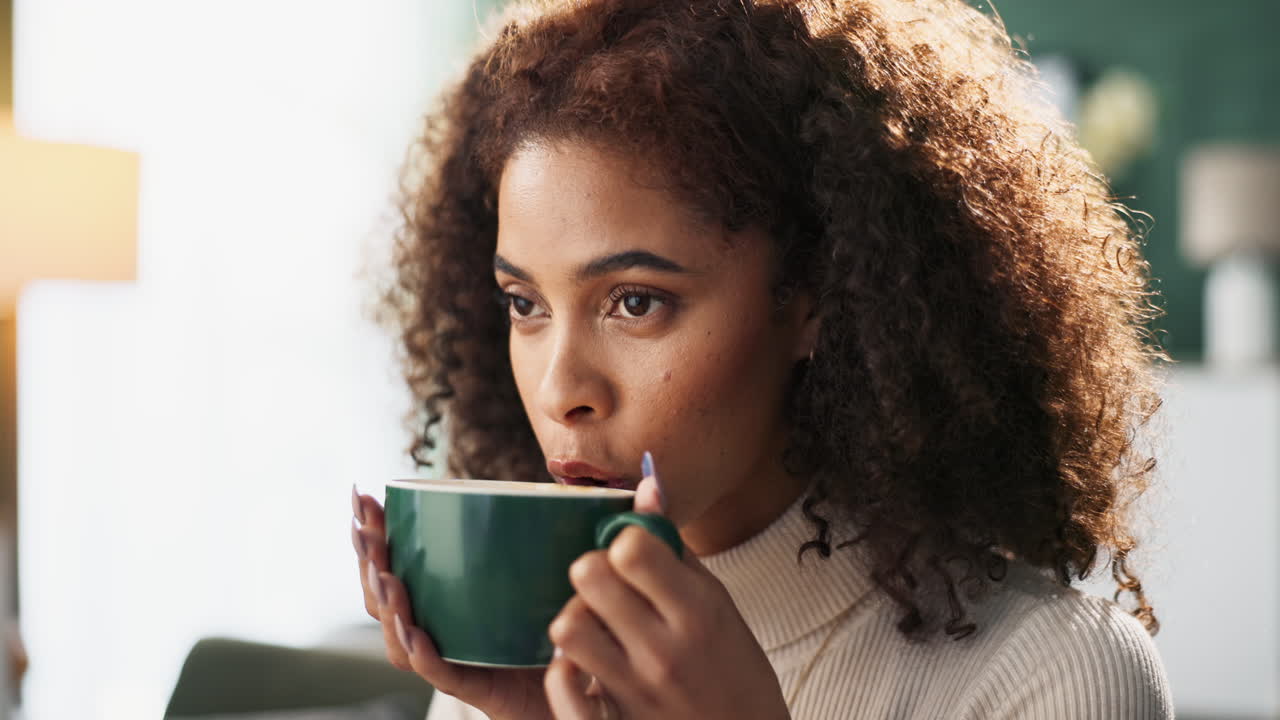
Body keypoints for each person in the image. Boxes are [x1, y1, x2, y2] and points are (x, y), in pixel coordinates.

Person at [349, 0, 1175, 717]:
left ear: (812, 296)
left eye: (635, 302)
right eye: (524, 305)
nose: (562, 390)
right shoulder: (515, 657)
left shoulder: (1059, 676)